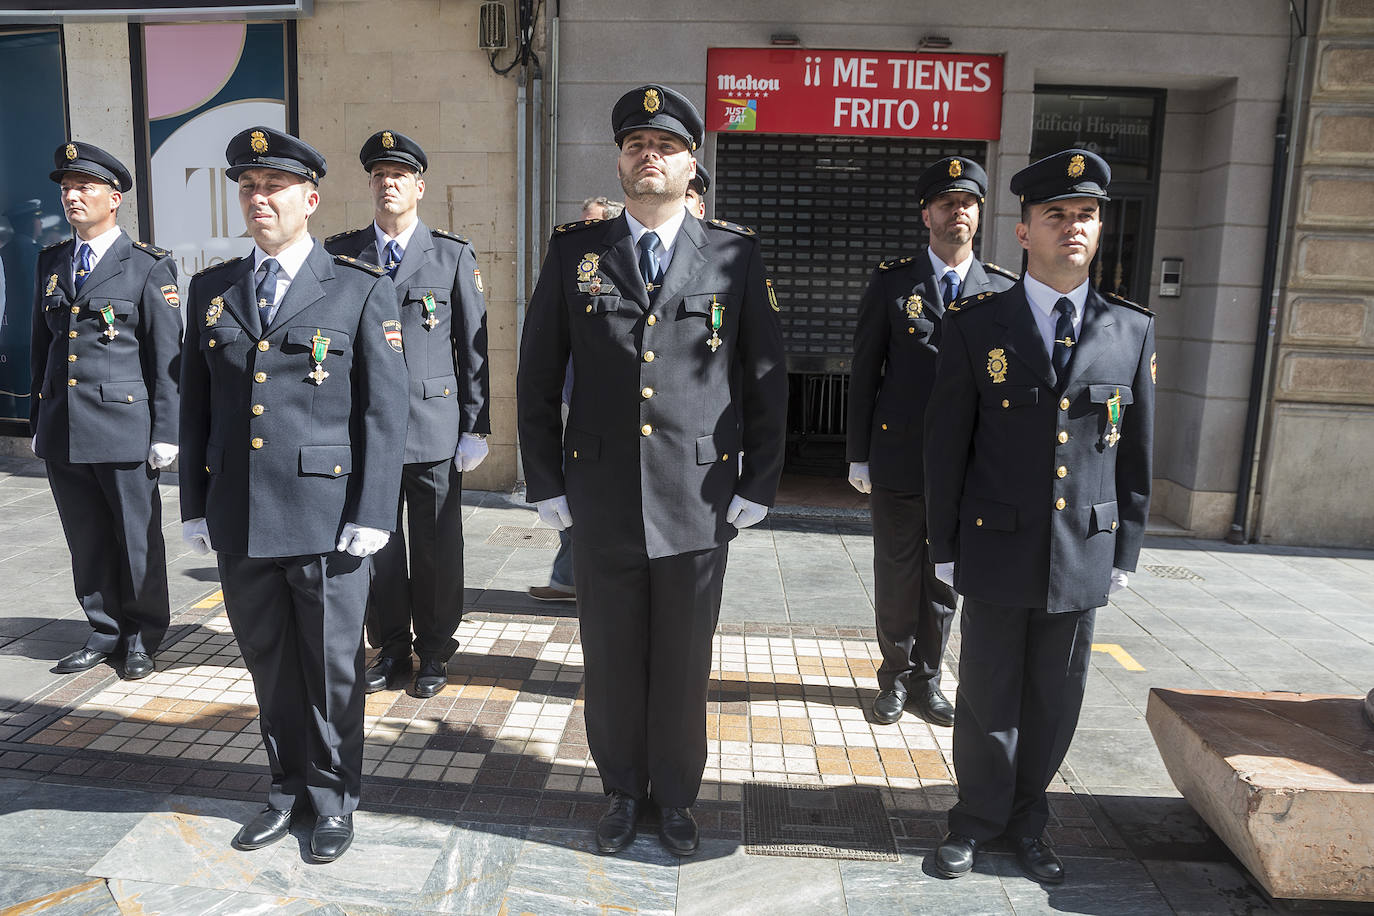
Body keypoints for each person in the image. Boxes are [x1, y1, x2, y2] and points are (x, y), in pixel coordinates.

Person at [517, 84, 787, 857]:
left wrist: (756, 484)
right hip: (600, 497)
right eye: (637, 144)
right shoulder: (576, 252)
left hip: (699, 500)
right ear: (620, 159)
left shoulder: (733, 253)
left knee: (681, 664)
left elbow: (766, 374)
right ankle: (619, 793)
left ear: (689, 162)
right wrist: (546, 484)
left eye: (665, 146)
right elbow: (538, 374)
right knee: (609, 661)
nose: (650, 156)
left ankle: (674, 798)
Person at [924, 149, 1155, 884]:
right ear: (1023, 231)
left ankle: (1029, 823)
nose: (1073, 228)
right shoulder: (974, 324)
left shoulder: (1130, 330)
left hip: (1083, 546)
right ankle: (975, 821)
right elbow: (945, 446)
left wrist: (1126, 551)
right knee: (988, 694)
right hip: (996, 544)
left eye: (1086, 215)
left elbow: (1137, 455)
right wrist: (945, 544)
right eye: (1056, 215)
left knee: (1054, 701)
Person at [179, 126, 408, 862]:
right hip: (242, 515)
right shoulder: (213, 290)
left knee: (333, 667)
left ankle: (335, 796)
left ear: (310, 198)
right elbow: (198, 409)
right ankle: (285, 789)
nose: (259, 199)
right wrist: (192, 503)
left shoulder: (358, 286)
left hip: (327, 519)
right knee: (269, 663)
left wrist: (374, 513)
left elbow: (384, 410)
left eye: (274, 187)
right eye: (248, 187)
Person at [846, 157, 1016, 728]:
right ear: (927, 214)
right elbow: (866, 371)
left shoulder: (1000, 290)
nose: (958, 213)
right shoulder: (894, 282)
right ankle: (893, 678)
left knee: (946, 579)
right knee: (898, 576)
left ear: (980, 213)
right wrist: (857, 453)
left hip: (969, 468)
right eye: (946, 204)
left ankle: (930, 679)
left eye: (967, 203)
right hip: (900, 459)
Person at [325, 130, 490, 698]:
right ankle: (391, 648)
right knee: (377, 547)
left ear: (420, 186)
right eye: (378, 175)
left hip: (433, 428)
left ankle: (436, 652)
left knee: (438, 548)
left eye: (398, 175)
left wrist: (476, 424)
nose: (387, 184)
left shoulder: (451, 254)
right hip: (364, 430)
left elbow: (473, 346)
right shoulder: (341, 254)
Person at [30, 143, 180, 680]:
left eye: (84, 187)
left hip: (123, 429)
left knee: (136, 538)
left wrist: (166, 430)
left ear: (113, 198)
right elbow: (41, 349)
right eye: (66, 188)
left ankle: (142, 633)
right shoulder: (52, 261)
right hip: (63, 428)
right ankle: (104, 628)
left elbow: (166, 357)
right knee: (86, 537)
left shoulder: (146, 265)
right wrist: (37, 418)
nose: (71, 196)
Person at [528, 194, 625, 604]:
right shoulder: (571, 259)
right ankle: (568, 578)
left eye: (591, 221)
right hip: (578, 410)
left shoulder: (615, 266)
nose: (583, 227)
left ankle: (569, 579)